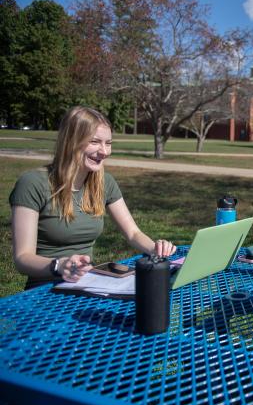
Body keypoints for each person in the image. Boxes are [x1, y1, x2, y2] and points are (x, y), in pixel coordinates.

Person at [9, 106, 176, 289]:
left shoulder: (104, 182)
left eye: (108, 143)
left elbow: (133, 233)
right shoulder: (32, 183)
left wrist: (155, 248)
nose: (104, 151)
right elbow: (22, 258)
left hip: (88, 285)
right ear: (71, 141)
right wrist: (59, 266)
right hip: (44, 289)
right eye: (95, 142)